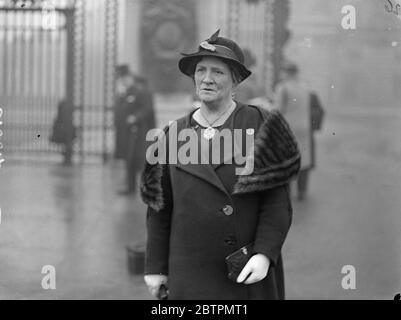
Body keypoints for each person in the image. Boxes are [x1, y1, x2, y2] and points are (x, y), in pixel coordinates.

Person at [140, 30, 300, 300]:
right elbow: (159, 209)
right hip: (189, 272)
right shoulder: (172, 134)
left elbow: (277, 202)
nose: (206, 79)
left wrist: (264, 253)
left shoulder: (261, 125)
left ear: (235, 80)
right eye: (201, 70)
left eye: (218, 72)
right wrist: (156, 266)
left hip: (244, 269)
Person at [274, 62, 313, 200]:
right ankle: (302, 190)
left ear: (287, 73)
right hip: (304, 127)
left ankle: (287, 191)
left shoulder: (283, 87)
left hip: (288, 128)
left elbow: (278, 109)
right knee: (303, 159)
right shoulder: (305, 87)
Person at [49, 99, 76, 165]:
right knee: (68, 137)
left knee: (68, 136)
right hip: (63, 134)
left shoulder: (60, 117)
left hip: (62, 133)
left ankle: (67, 151)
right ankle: (67, 151)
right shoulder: (65, 117)